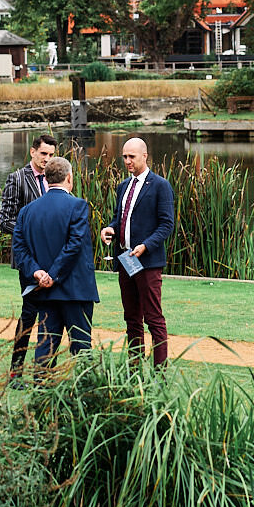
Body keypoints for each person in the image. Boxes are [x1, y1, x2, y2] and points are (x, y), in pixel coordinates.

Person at [12, 155, 98, 367]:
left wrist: (37, 272)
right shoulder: (77, 205)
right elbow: (74, 244)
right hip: (74, 290)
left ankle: (41, 385)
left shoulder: (27, 211)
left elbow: (19, 248)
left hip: (44, 290)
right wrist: (53, 274)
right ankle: (85, 384)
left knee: (46, 345)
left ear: (46, 179)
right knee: (81, 346)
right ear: (69, 178)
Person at [99, 136, 176, 367]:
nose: (127, 161)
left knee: (153, 318)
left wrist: (146, 246)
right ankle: (134, 369)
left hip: (148, 262)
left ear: (145, 156)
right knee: (131, 318)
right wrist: (110, 229)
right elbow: (119, 218)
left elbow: (167, 224)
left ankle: (159, 372)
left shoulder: (160, 185)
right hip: (125, 260)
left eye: (131, 156)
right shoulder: (123, 186)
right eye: (124, 156)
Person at [0, 133, 58, 381]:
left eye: (51, 155)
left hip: (53, 260)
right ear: (32, 152)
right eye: (43, 153)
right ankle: (16, 372)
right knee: (29, 315)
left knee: (52, 316)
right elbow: (5, 220)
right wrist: (34, 234)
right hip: (28, 260)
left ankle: (45, 372)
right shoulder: (17, 178)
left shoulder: (57, 179)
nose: (47, 159)